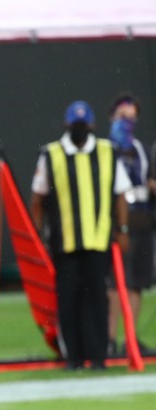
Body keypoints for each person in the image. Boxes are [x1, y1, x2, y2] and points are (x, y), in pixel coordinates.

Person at [30, 101, 132, 370]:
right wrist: (37, 235)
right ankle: (73, 357)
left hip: (98, 240)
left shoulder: (107, 152)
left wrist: (122, 229)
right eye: (75, 125)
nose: (79, 129)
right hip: (64, 242)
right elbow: (38, 199)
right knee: (69, 299)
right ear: (66, 125)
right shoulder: (51, 154)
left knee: (97, 298)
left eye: (83, 125)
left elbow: (121, 194)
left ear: (92, 126)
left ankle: (98, 356)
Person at [106, 94, 154, 355]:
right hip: (117, 225)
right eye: (123, 117)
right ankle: (110, 339)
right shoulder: (104, 152)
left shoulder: (143, 151)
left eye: (132, 118)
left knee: (137, 282)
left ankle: (130, 341)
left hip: (143, 221)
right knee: (115, 283)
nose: (128, 123)